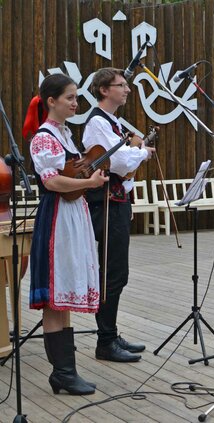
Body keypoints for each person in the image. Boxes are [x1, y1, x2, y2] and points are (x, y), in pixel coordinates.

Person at [26, 73, 109, 395]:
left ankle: (66, 372)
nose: (76, 103)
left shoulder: (65, 134)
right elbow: (52, 182)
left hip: (72, 215)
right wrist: (89, 184)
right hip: (57, 218)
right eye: (70, 98)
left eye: (76, 97)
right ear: (51, 101)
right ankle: (62, 372)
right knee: (55, 299)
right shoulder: (44, 138)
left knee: (63, 300)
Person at [82, 67, 155, 362]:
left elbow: (124, 160)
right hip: (107, 203)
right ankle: (105, 341)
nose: (126, 90)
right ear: (104, 90)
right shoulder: (97, 123)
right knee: (112, 272)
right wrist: (143, 153)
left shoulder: (111, 122)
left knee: (117, 272)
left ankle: (110, 333)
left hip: (118, 200)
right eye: (121, 85)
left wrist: (135, 152)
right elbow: (119, 162)